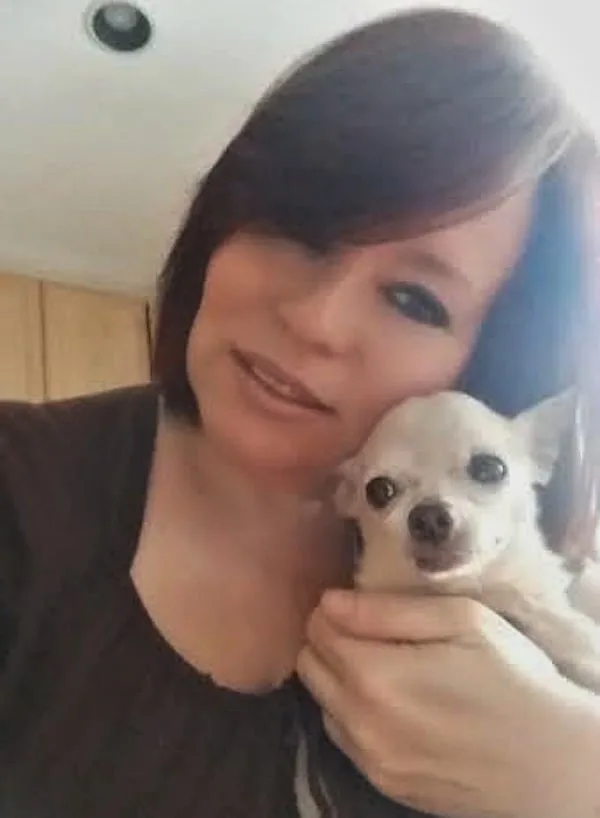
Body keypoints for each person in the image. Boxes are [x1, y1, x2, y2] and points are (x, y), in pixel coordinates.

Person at [1, 7, 599, 818]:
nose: (316, 320)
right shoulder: (20, 496)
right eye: (299, 230)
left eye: (414, 300)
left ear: (488, 362)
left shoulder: (557, 618)